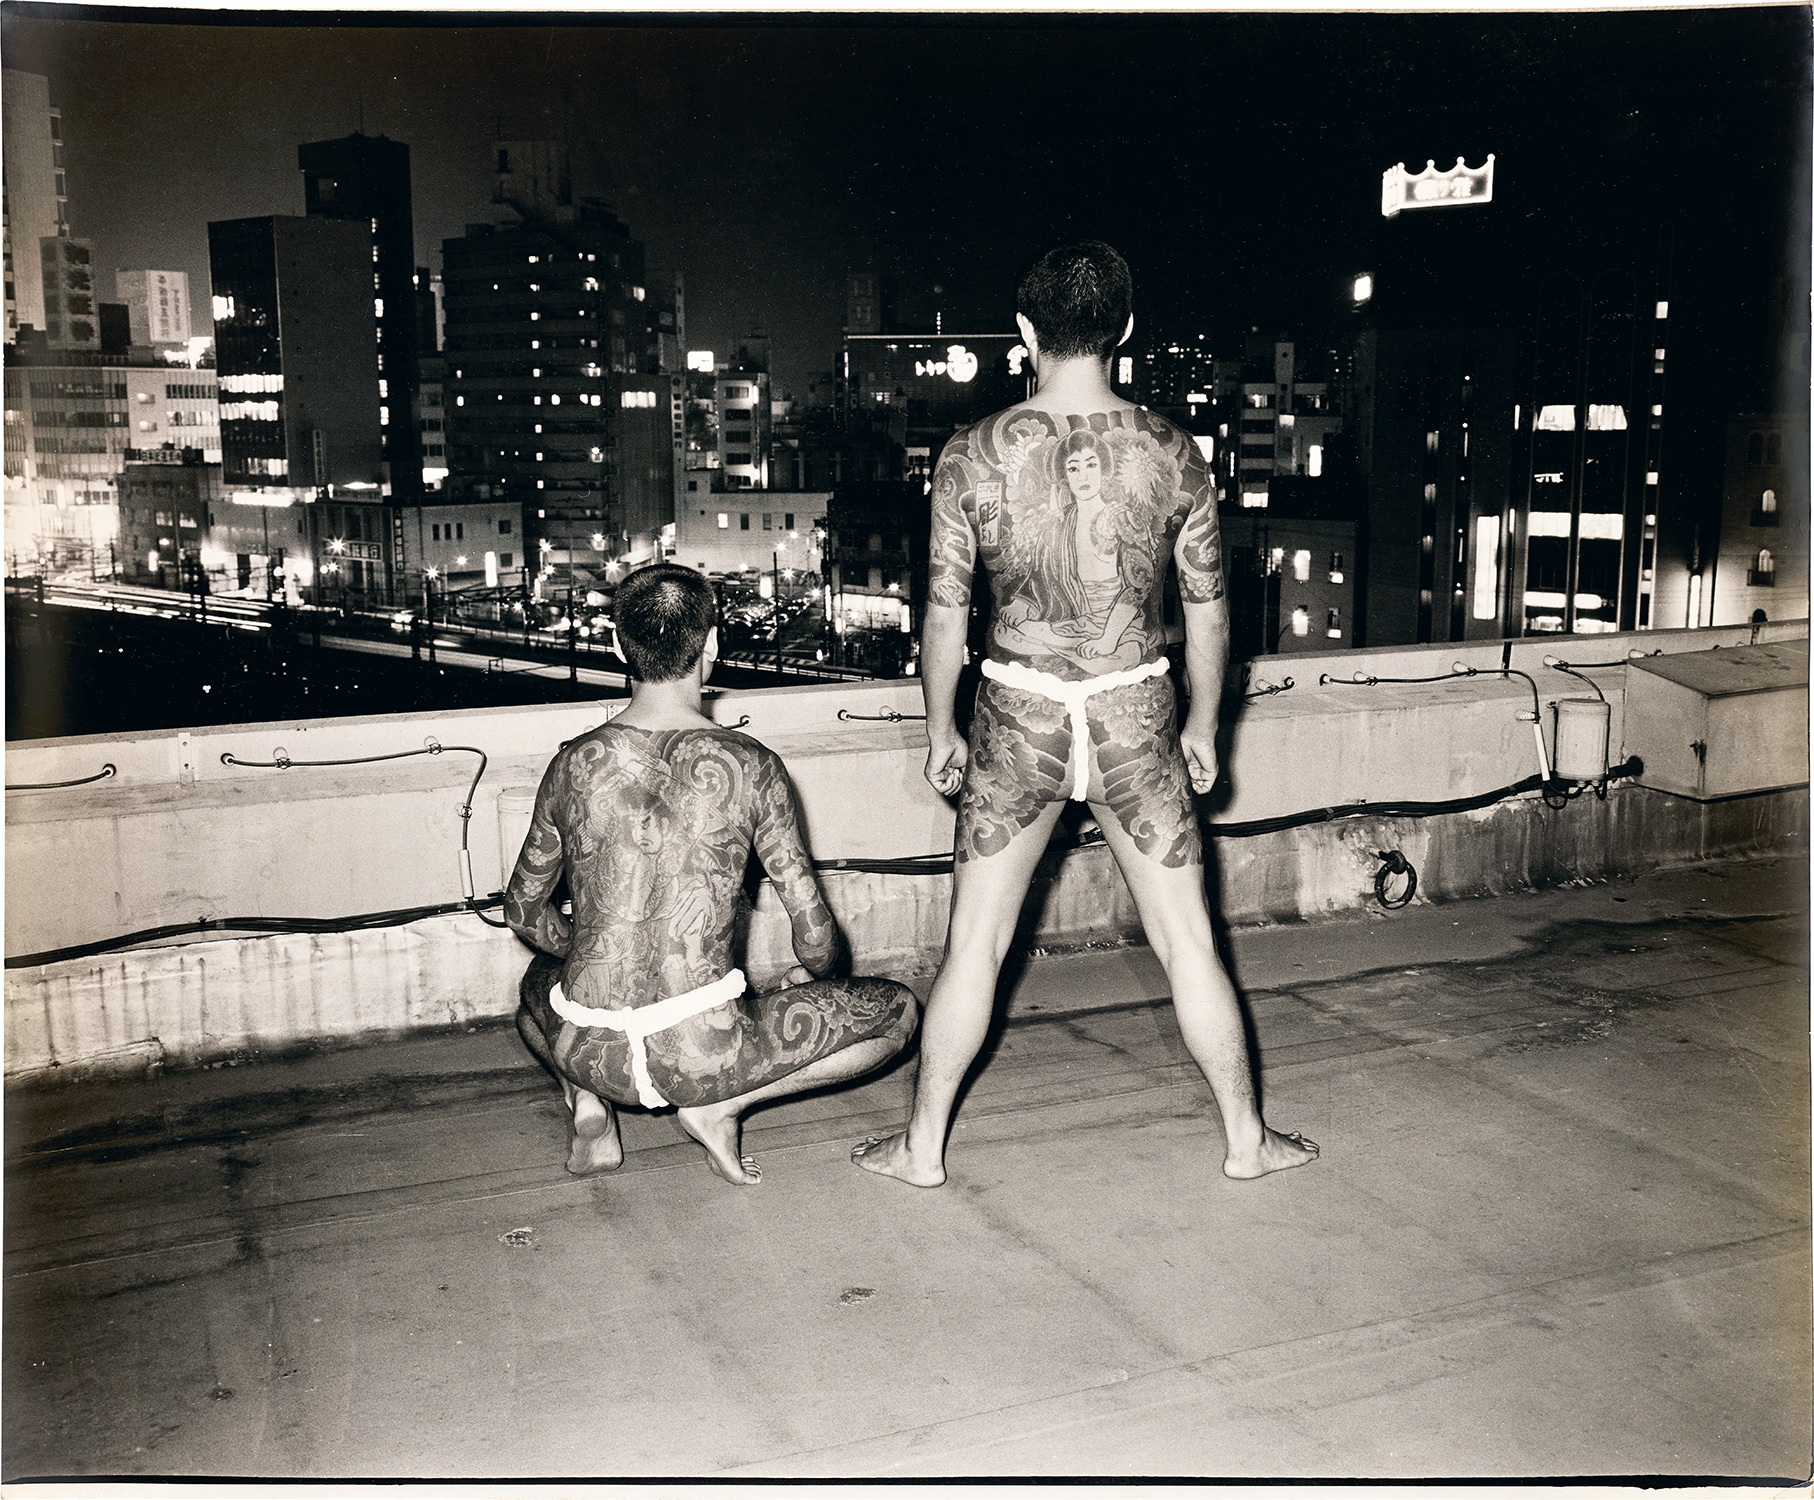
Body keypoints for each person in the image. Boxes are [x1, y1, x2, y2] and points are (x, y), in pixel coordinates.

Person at [852, 241, 1318, 1187]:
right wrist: (1204, 727)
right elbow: (1209, 612)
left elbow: (943, 613)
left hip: (1017, 714)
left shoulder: (970, 454)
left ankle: (920, 1150)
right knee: (1189, 942)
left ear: (1025, 330)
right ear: (1126, 329)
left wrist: (940, 728)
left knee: (975, 945)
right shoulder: (1174, 453)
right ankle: (1247, 1141)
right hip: (1132, 711)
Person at [506, 563, 918, 1186]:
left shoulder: (572, 766)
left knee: (535, 989)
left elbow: (522, 912)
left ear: (617, 645)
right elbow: (814, 935)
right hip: (703, 1055)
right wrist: (822, 975)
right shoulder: (752, 766)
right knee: (900, 1013)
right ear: (713, 646)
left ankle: (587, 1103)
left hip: (589, 1048)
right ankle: (721, 1107)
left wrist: (591, 957)